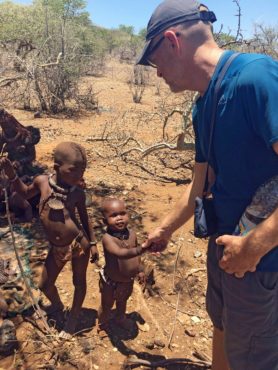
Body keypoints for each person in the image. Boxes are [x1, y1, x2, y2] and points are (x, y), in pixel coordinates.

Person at [136, 1, 278, 369]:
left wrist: (255, 245)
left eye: (154, 62)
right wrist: (165, 230)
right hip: (226, 251)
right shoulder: (203, 105)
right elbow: (200, 184)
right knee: (223, 328)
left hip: (261, 263)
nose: (157, 74)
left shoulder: (256, 78)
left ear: (171, 41)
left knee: (253, 355)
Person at [0, 141, 99, 339]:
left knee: (78, 281)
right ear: (56, 167)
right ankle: (58, 307)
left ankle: (72, 319)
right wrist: (11, 174)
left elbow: (85, 217)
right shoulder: (42, 182)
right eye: (73, 170)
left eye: (83, 170)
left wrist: (94, 243)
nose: (79, 175)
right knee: (45, 284)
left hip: (78, 244)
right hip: (57, 247)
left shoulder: (77, 193)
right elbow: (25, 193)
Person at [97, 198, 145, 334]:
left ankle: (120, 318)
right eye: (113, 215)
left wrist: (140, 269)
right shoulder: (108, 239)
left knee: (123, 300)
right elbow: (120, 253)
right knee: (107, 304)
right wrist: (142, 248)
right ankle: (102, 322)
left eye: (122, 213)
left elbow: (136, 255)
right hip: (110, 281)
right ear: (104, 221)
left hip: (127, 280)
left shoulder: (132, 234)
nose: (119, 218)